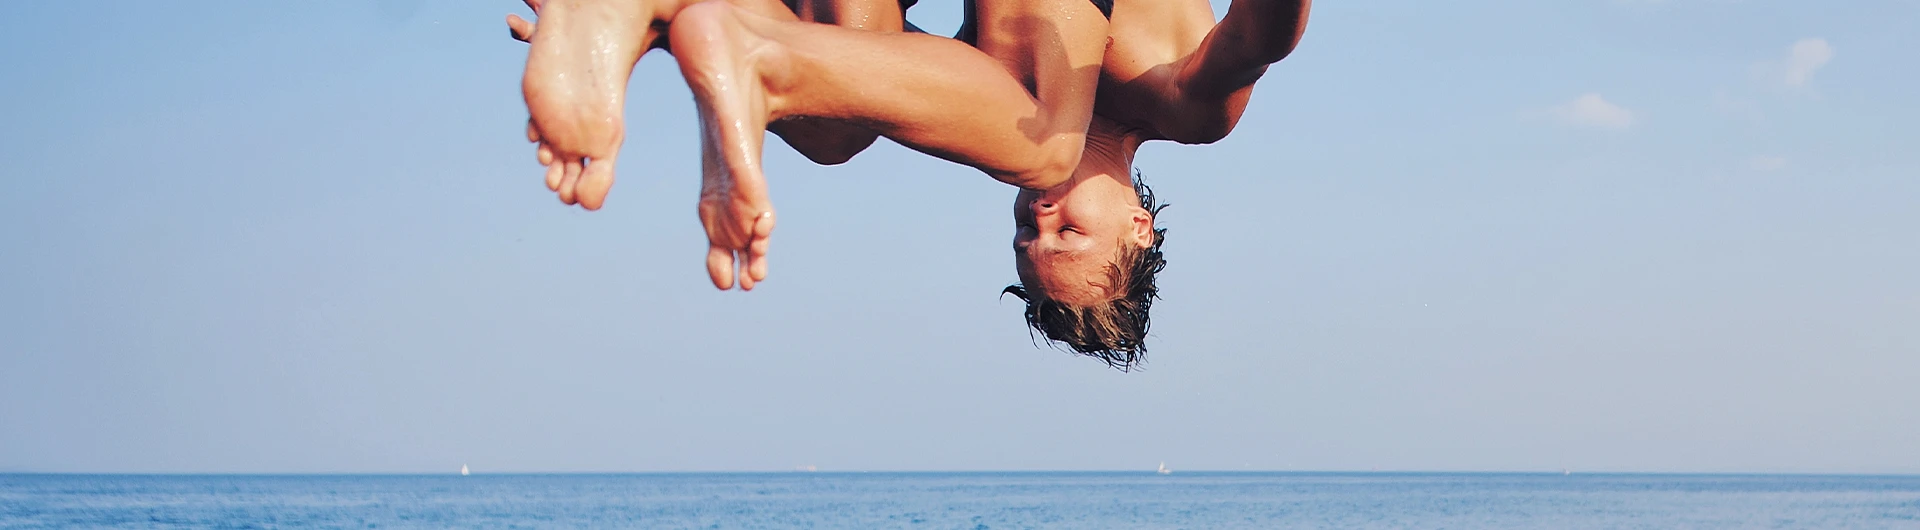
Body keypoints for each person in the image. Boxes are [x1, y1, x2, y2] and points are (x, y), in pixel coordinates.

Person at [510, 0, 1310, 368]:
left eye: (1025, 234)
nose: (1040, 215)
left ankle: (654, 13)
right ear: (1140, 222)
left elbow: (862, 66)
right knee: (1037, 148)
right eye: (1067, 232)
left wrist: (665, 41)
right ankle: (742, 54)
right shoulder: (1178, 105)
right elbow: (1255, 40)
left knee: (836, 132)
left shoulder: (986, 96)